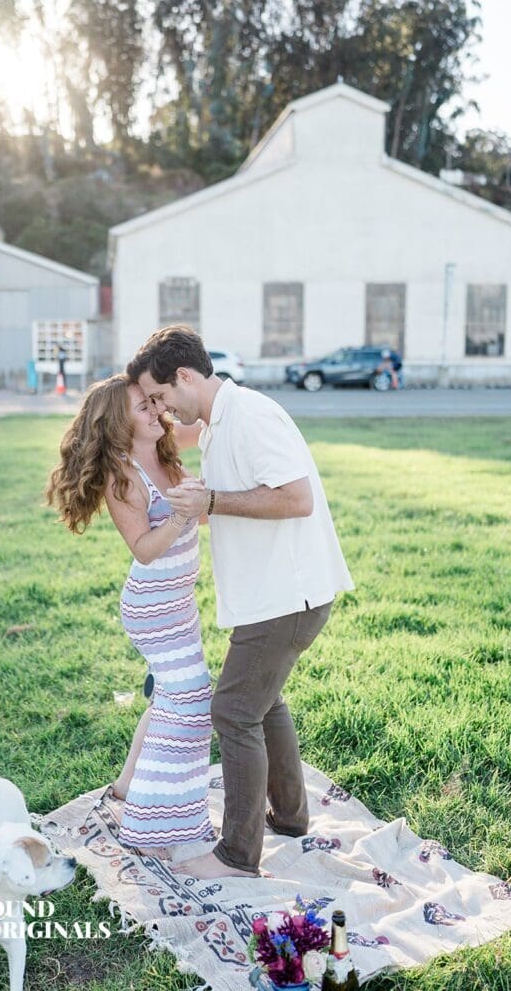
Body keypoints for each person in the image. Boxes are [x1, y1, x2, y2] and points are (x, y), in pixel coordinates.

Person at [127, 326, 355, 879]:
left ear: (184, 377)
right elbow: (235, 501)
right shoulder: (214, 427)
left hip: (288, 595)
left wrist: (212, 500)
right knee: (263, 702)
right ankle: (293, 817)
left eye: (159, 397)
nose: (158, 411)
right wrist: (199, 506)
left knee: (232, 710)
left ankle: (237, 855)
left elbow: (295, 498)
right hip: (266, 596)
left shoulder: (251, 415)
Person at [44, 374, 215, 860]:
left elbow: (208, 422)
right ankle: (150, 826)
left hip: (180, 602)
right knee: (191, 702)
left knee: (169, 700)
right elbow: (143, 549)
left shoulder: (163, 445)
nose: (154, 408)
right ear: (118, 425)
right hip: (153, 608)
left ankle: (125, 787)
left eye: (152, 400)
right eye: (142, 405)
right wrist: (181, 516)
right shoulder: (123, 478)